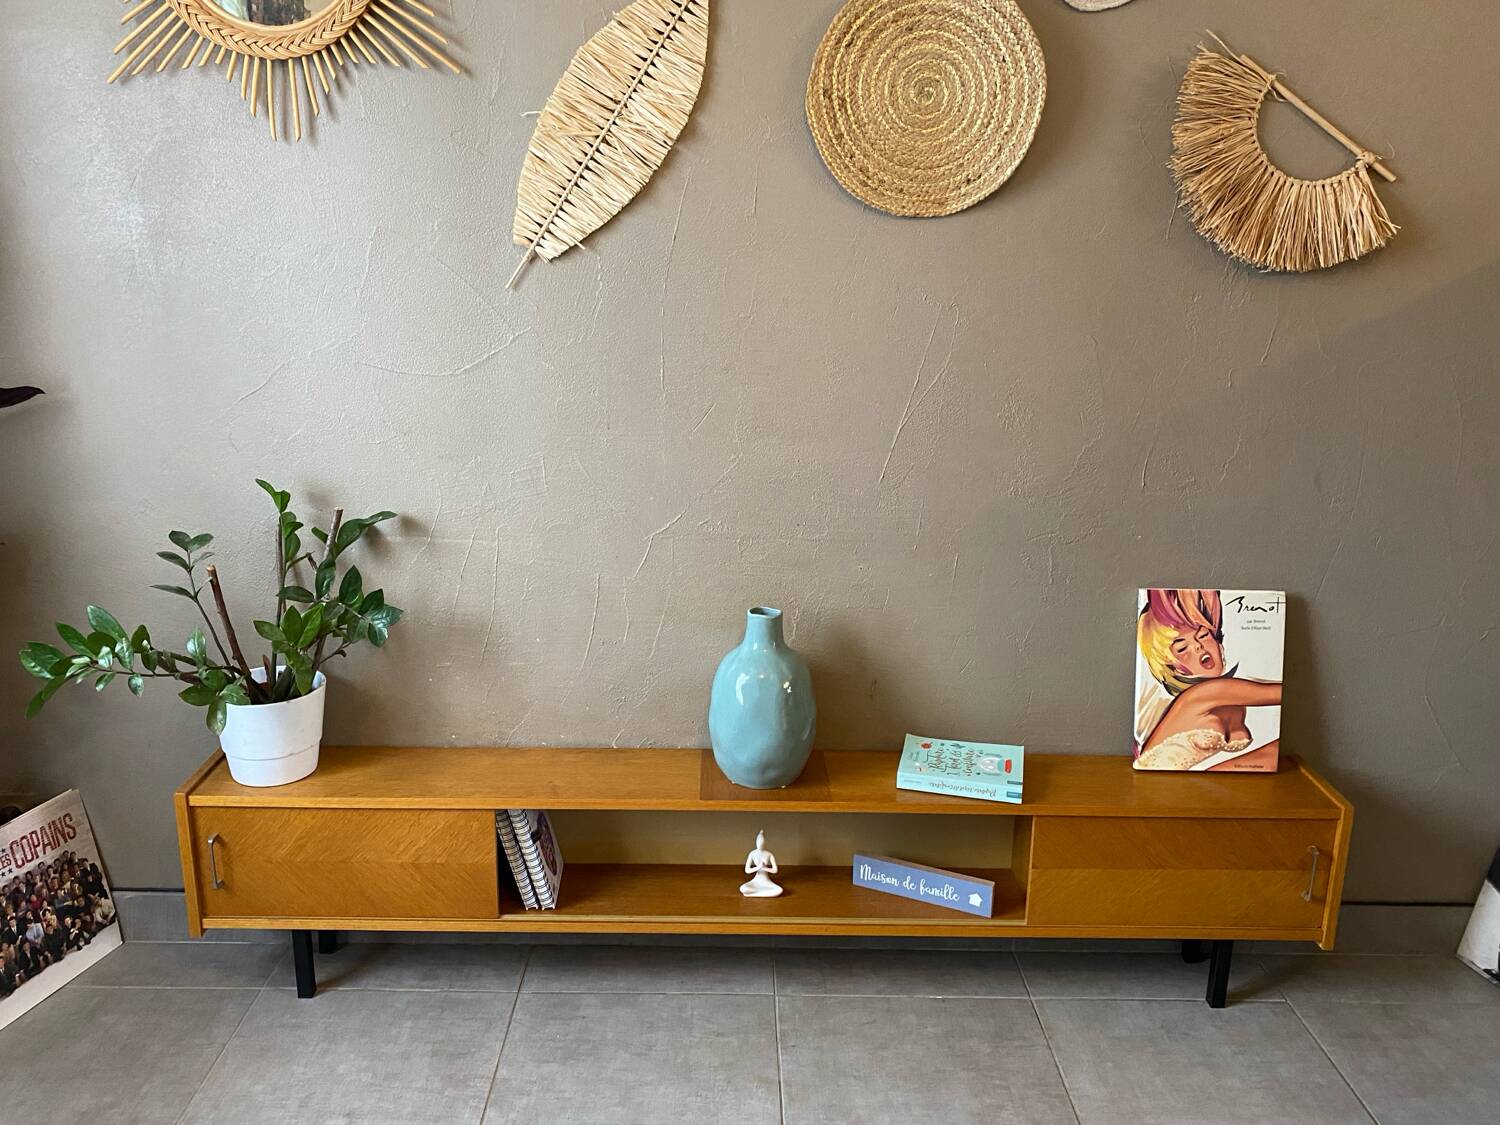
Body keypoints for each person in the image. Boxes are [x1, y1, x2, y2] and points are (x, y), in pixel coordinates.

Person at [1135, 588, 1281, 771]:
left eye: (1203, 635)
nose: (1198, 646)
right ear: (1170, 666)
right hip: (1157, 787)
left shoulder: (1232, 699)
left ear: (1217, 640)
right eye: (1181, 648)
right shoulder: (1202, 695)